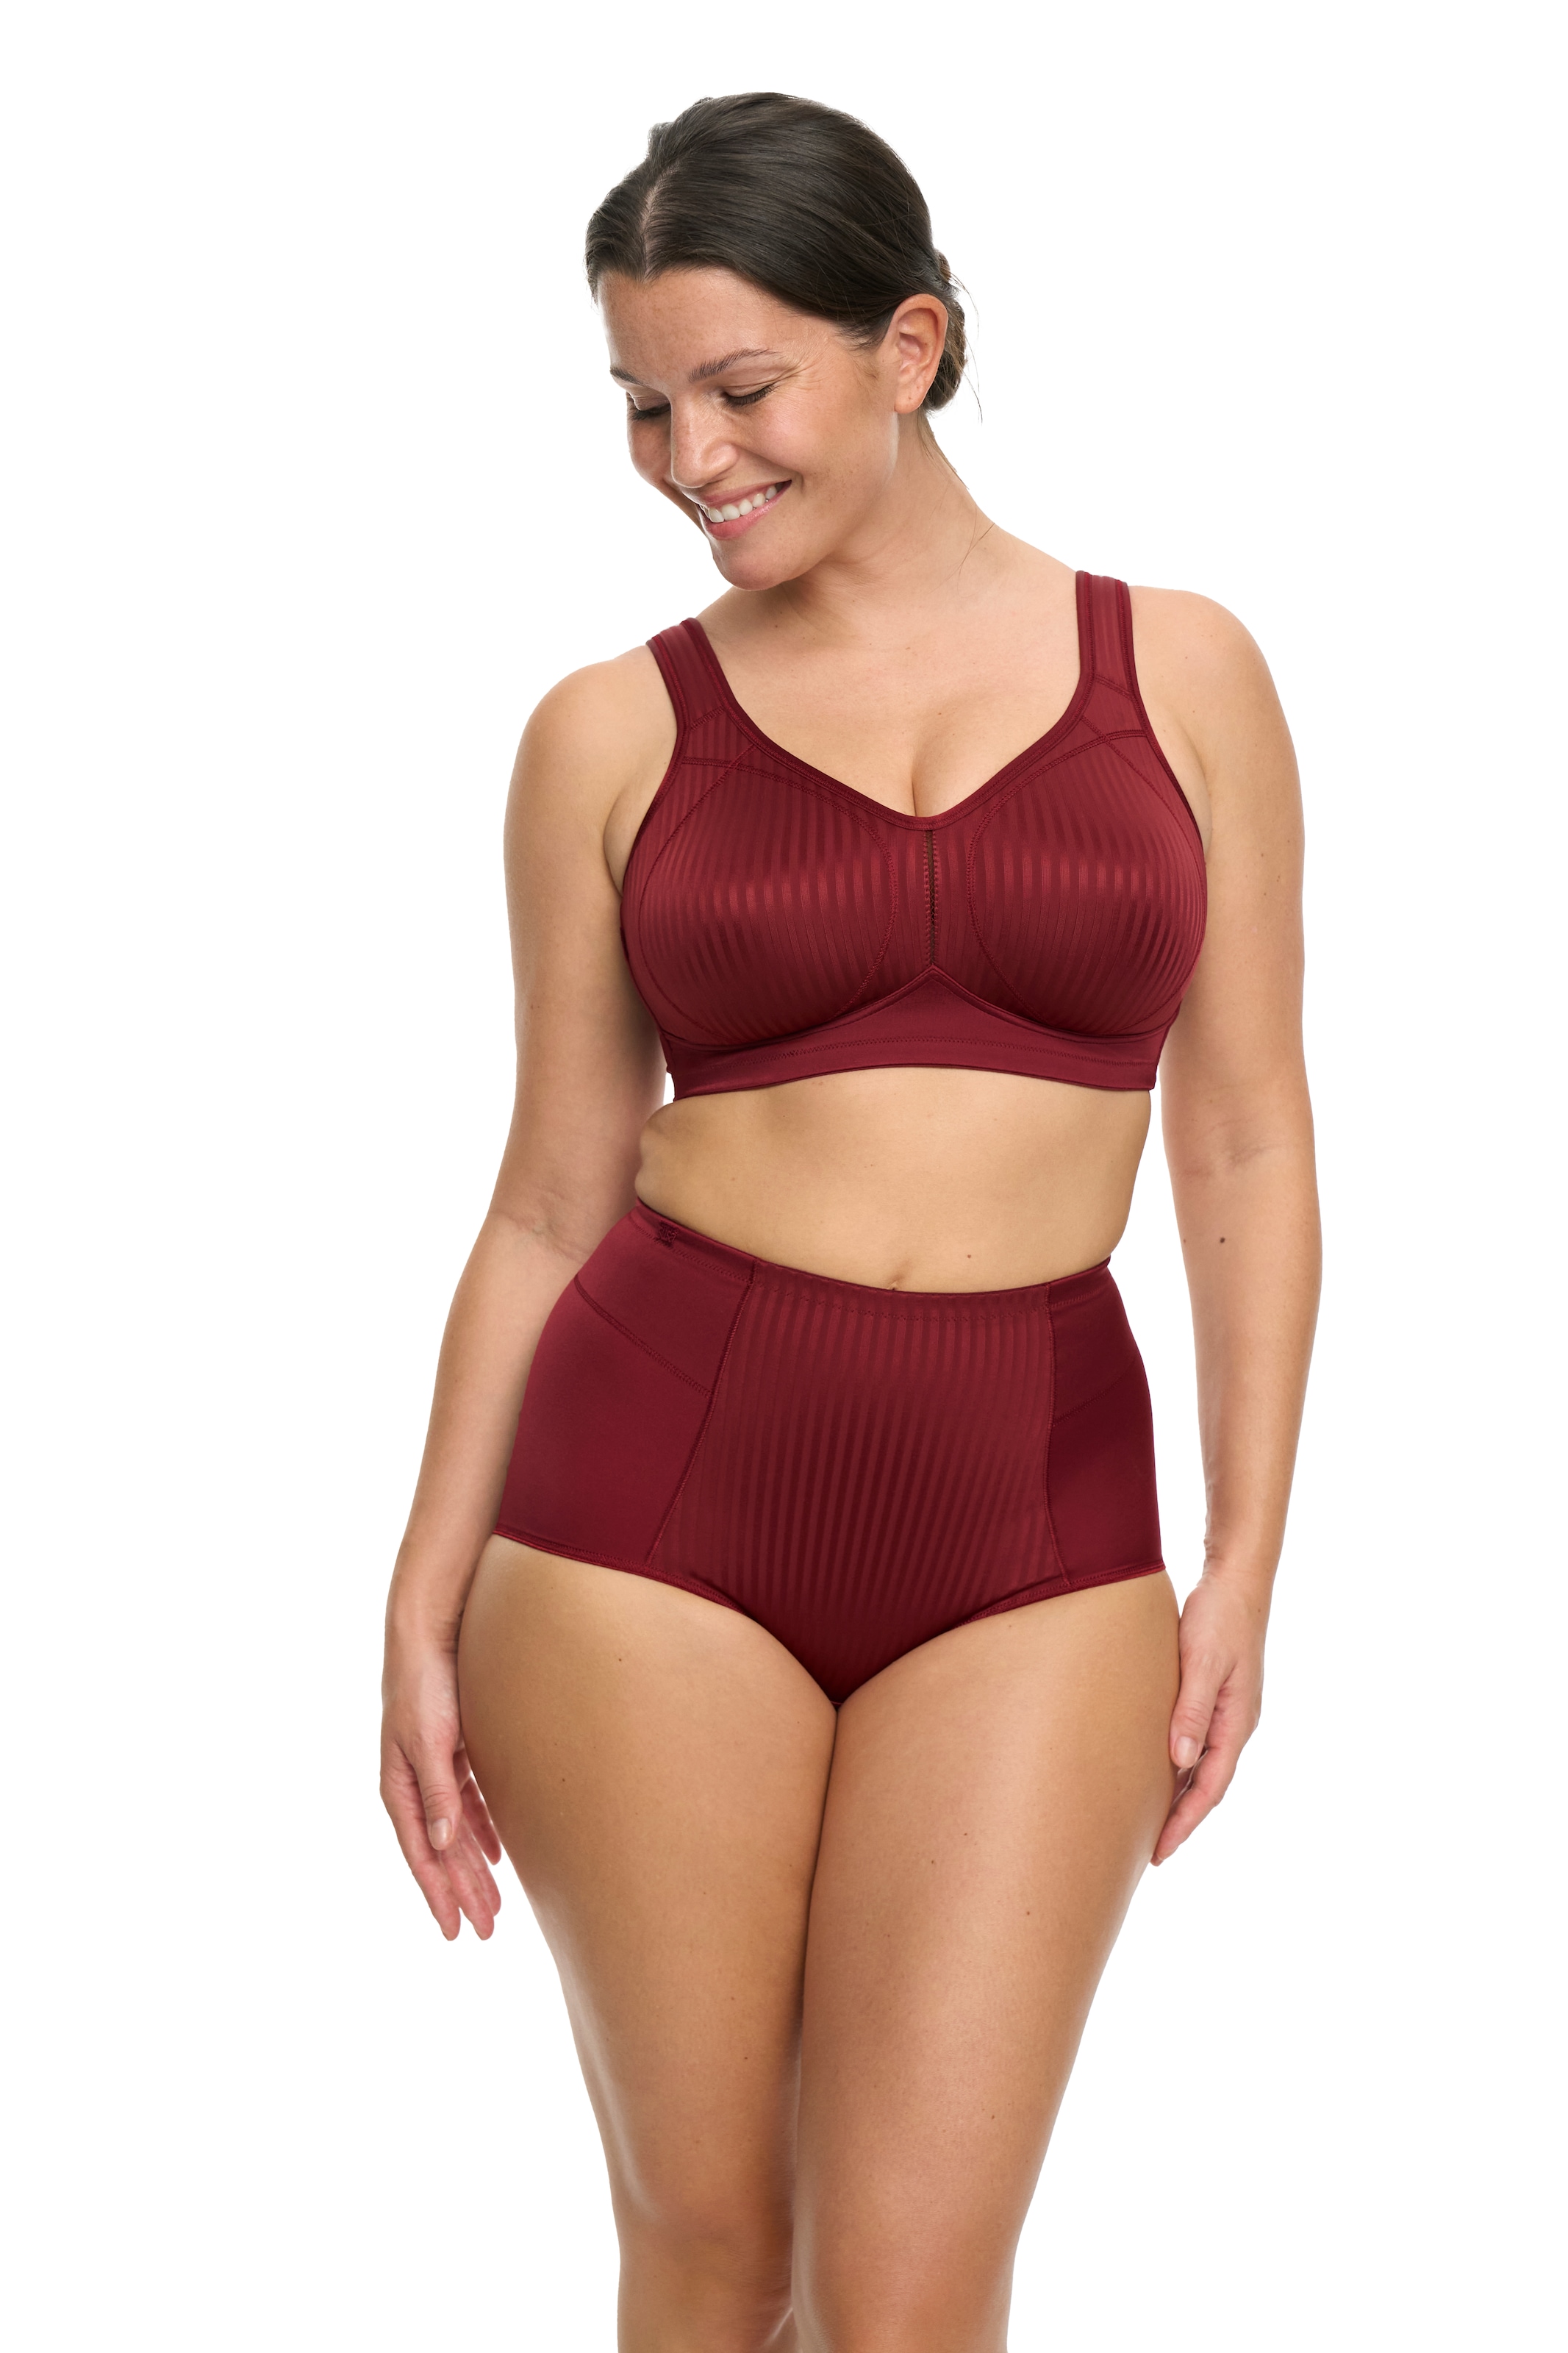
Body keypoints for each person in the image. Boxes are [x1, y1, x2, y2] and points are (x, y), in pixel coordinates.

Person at [379, 90, 1320, 2353]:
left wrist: (1247, 1553)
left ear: (910, 347)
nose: (689, 458)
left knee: (908, 2292)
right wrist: (419, 1595)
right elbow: (547, 1198)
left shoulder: (1183, 673)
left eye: (738, 388)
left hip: (1036, 1512)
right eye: (642, 406)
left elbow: (1247, 1144)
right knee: (715, 2250)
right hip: (649, 1511)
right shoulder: (607, 735)